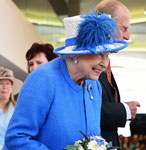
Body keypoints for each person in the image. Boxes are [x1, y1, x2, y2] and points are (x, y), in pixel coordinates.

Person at [3, 11, 128, 150]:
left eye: (107, 55)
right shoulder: (43, 79)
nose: (105, 64)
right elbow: (17, 137)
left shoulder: (94, 85)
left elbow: (93, 139)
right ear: (76, 54)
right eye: (99, 54)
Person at [96, 0, 140, 146]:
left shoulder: (105, 62)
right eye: (124, 29)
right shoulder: (87, 62)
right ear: (107, 25)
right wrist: (124, 109)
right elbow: (85, 108)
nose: (127, 36)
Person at [0, 67, 23, 149]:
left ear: (11, 87)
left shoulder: (17, 110)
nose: (4, 87)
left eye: (7, 83)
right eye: (0, 83)